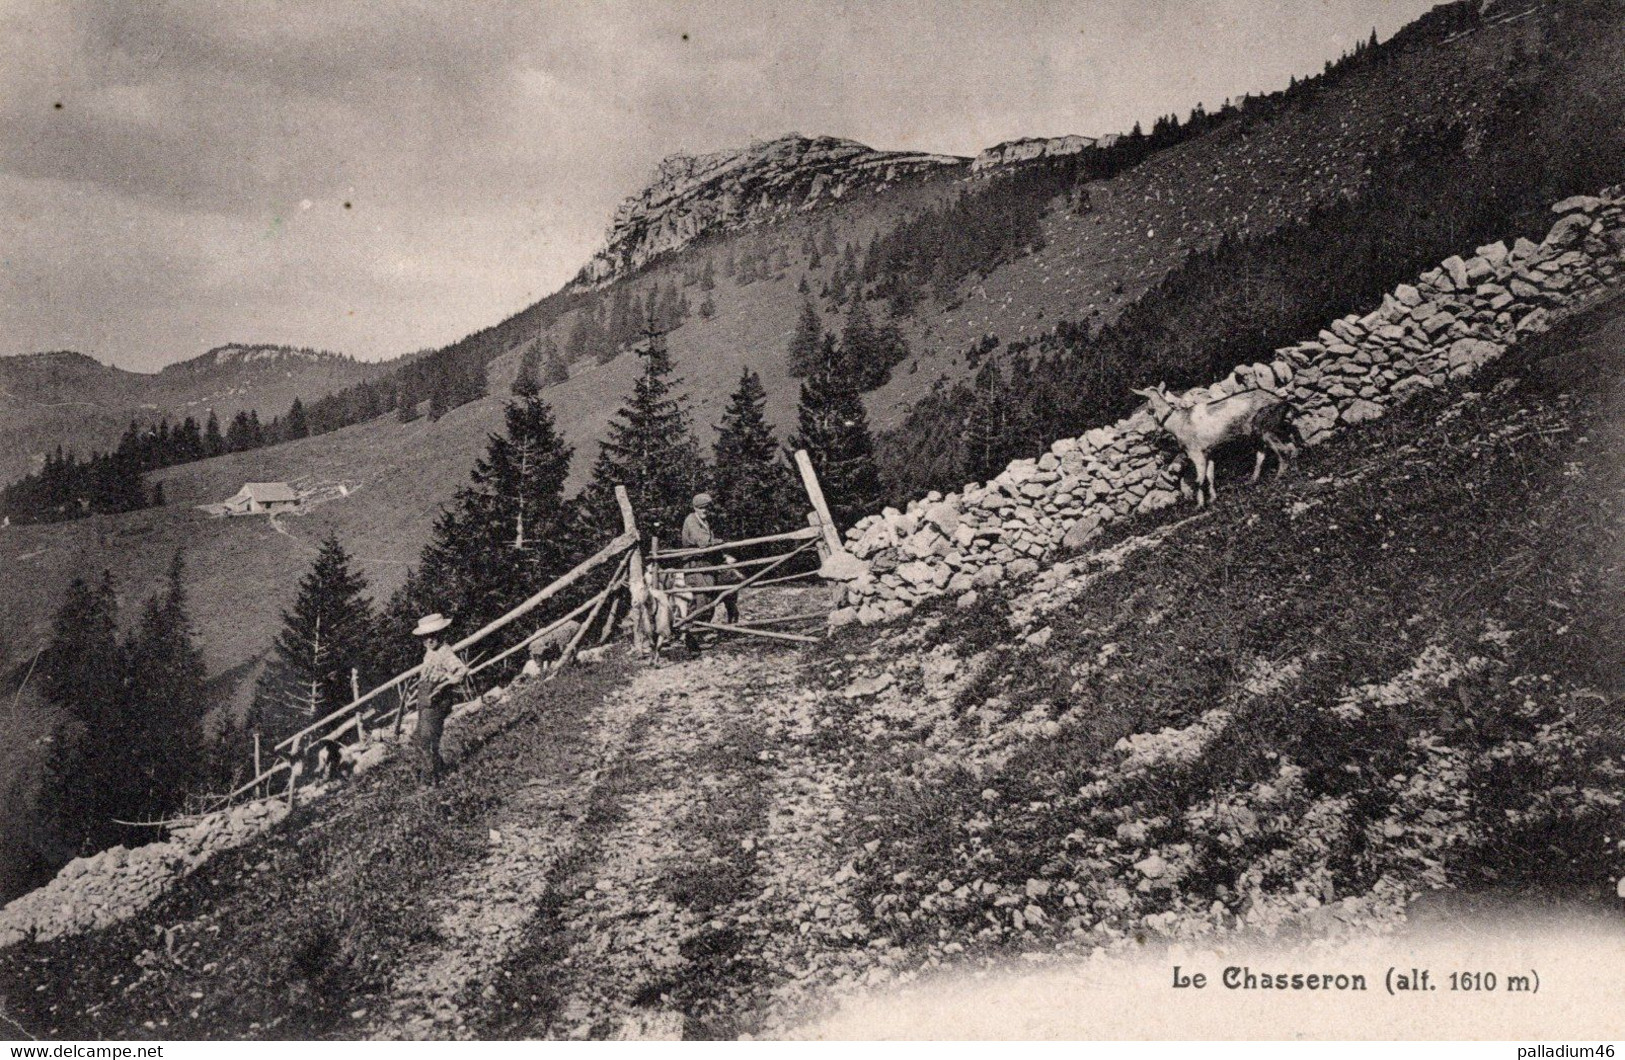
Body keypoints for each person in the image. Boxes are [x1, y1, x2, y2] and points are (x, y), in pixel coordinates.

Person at [410, 612, 468, 784]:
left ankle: (431, 779)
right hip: (426, 699)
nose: (429, 640)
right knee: (419, 737)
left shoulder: (444, 652)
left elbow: (461, 671)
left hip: (437, 701)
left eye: (433, 636)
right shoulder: (430, 653)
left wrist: (443, 686)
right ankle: (438, 769)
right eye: (425, 637)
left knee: (427, 739)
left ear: (441, 634)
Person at [680, 493, 740, 635]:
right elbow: (703, 541)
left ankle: (701, 631)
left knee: (713, 595)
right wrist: (720, 542)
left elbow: (710, 542)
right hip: (695, 566)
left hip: (706, 565)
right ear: (695, 508)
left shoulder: (705, 523)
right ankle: (692, 634)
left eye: (707, 508)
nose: (704, 511)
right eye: (701, 508)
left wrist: (722, 554)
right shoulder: (691, 521)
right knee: (702, 599)